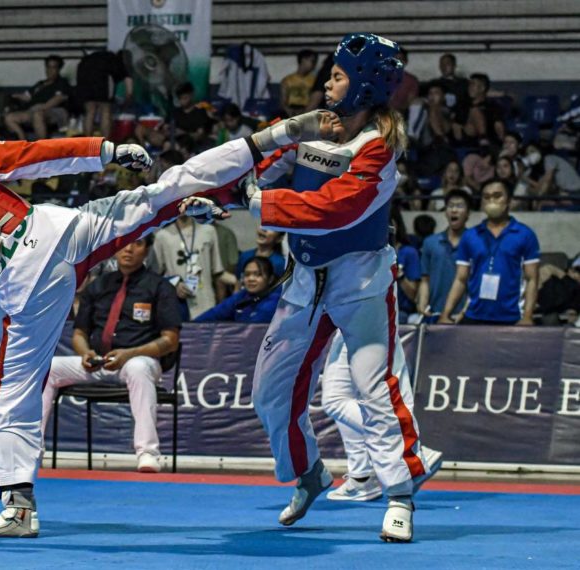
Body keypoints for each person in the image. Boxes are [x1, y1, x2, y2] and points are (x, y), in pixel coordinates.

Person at [0, 98, 262, 539]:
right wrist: (107, 151)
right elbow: (37, 155)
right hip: (56, 231)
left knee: (11, 394)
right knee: (150, 200)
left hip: (21, 286)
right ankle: (256, 150)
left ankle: (18, 507)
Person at [194, 33, 434, 542]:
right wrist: (222, 193)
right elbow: (253, 167)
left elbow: (332, 208)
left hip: (361, 281)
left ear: (364, 85)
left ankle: (399, 495)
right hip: (304, 281)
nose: (328, 82)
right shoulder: (308, 129)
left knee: (375, 388)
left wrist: (259, 204)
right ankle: (309, 474)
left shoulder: (377, 150)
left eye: (338, 75)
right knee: (268, 393)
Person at [41, 236, 180, 472]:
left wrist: (129, 354)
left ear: (146, 251)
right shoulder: (98, 286)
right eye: (124, 244)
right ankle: (32, 448)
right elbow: (79, 334)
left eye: (137, 244)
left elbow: (171, 340)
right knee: (48, 367)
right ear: (114, 249)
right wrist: (85, 354)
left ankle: (147, 453)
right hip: (99, 363)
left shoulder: (160, 287)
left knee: (137, 368)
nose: (129, 249)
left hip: (140, 361)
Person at [321, 333, 443, 502]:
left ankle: (412, 450)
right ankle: (362, 478)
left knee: (335, 400)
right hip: (358, 319)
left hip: (358, 317)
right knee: (350, 398)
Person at [438, 179, 540, 326]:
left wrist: (528, 316)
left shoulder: (525, 234)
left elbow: (532, 279)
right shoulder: (470, 236)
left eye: (497, 196)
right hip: (474, 314)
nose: (492, 201)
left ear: (509, 200)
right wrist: (445, 314)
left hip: (512, 317)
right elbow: (460, 278)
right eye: (486, 197)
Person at [418, 190, 471, 323]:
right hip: (435, 313)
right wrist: (422, 303)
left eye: (459, 206)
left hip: (465, 316)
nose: (454, 210)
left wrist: (466, 311)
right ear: (445, 211)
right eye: (450, 205)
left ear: (468, 213)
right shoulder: (430, 242)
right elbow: (425, 279)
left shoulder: (476, 243)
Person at [195, 256, 280, 323]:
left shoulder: (275, 301)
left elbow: (252, 330)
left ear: (270, 279)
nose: (251, 279)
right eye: (247, 274)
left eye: (257, 275)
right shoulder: (241, 296)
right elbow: (213, 314)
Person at [4, 55, 72, 140]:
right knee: (10, 118)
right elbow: (27, 96)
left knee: (38, 114)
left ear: (59, 69)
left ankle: (41, 147)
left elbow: (59, 98)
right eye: (48, 67)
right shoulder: (40, 84)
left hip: (54, 111)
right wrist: (13, 96)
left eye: (53, 67)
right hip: (33, 110)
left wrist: (43, 107)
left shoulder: (62, 82)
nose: (50, 71)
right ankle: (23, 142)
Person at [76, 49, 132, 137]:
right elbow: (128, 85)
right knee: (105, 110)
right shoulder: (118, 61)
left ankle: (87, 142)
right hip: (101, 78)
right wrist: (128, 100)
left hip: (83, 71)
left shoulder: (99, 56)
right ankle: (105, 143)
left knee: (90, 111)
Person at [280, 50, 318, 117]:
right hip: (290, 110)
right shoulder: (287, 80)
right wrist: (289, 111)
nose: (314, 65)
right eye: (312, 61)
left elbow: (315, 102)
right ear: (303, 60)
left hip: (307, 111)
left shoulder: (315, 81)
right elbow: (283, 102)